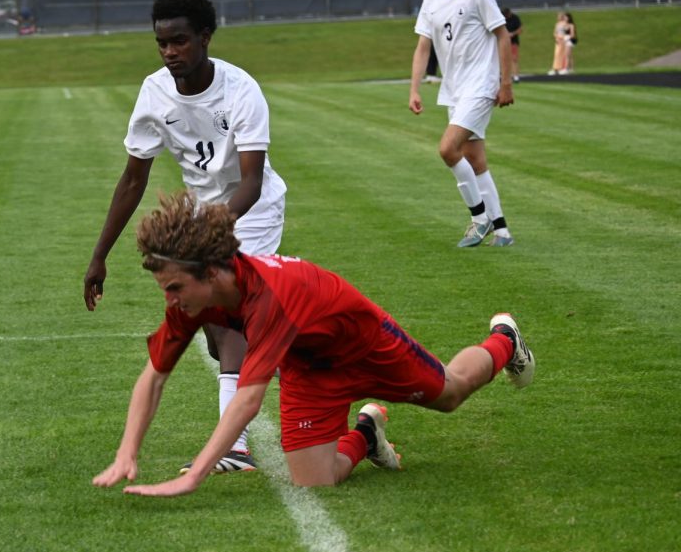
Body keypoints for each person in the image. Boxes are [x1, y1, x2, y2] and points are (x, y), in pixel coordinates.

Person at [92, 192, 535, 496]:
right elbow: (154, 378)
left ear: (211, 273)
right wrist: (127, 452)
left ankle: (504, 340)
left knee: (452, 393)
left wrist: (194, 478)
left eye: (173, 288)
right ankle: (366, 432)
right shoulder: (193, 298)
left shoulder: (270, 296)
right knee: (314, 483)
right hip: (310, 366)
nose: (168, 300)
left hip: (367, 346)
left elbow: (248, 400)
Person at [84, 0, 287, 475]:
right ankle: (279, 349)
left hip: (252, 210)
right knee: (220, 338)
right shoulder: (155, 92)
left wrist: (210, 237)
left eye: (180, 40)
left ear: (205, 37)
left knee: (221, 317)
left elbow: (253, 180)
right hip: (203, 211)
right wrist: (99, 255)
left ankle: (233, 448)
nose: (171, 51)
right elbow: (134, 177)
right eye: (162, 43)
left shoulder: (241, 90)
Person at [409, 0, 515, 248]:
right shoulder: (430, 2)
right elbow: (422, 48)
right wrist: (414, 89)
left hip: (481, 86)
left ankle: (479, 218)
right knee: (475, 159)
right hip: (453, 90)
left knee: (447, 149)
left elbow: (502, 35)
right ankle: (502, 231)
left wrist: (505, 83)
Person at [502, 7, 522, 82]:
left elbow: (520, 29)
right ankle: (506, 76)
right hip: (504, 41)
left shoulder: (515, 18)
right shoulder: (501, 18)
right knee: (504, 59)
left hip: (513, 41)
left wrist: (512, 34)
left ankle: (515, 75)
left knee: (514, 59)